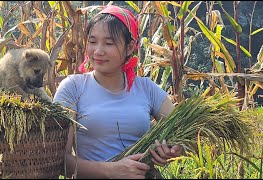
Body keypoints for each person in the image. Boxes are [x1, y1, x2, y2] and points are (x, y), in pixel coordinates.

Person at [53, 5, 184, 179]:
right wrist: (113, 170)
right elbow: (58, 160)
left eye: (109, 43)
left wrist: (175, 149)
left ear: (130, 48)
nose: (98, 51)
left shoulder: (146, 88)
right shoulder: (73, 87)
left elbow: (183, 131)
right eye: (92, 42)